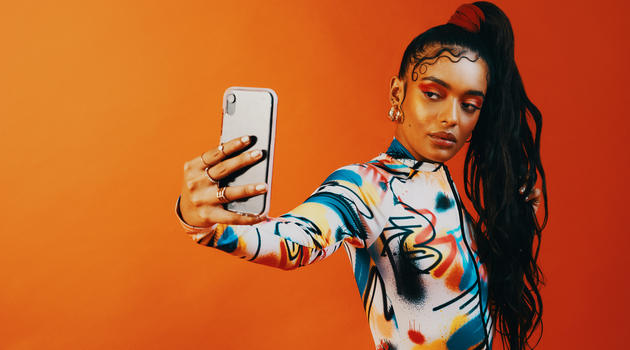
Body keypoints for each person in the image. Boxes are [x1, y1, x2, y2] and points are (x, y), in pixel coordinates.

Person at [175, 2, 548, 349]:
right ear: (398, 93)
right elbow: (295, 241)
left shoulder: (445, 188)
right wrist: (203, 223)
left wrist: (520, 220)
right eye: (434, 94)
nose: (452, 117)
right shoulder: (367, 187)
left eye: (469, 105)